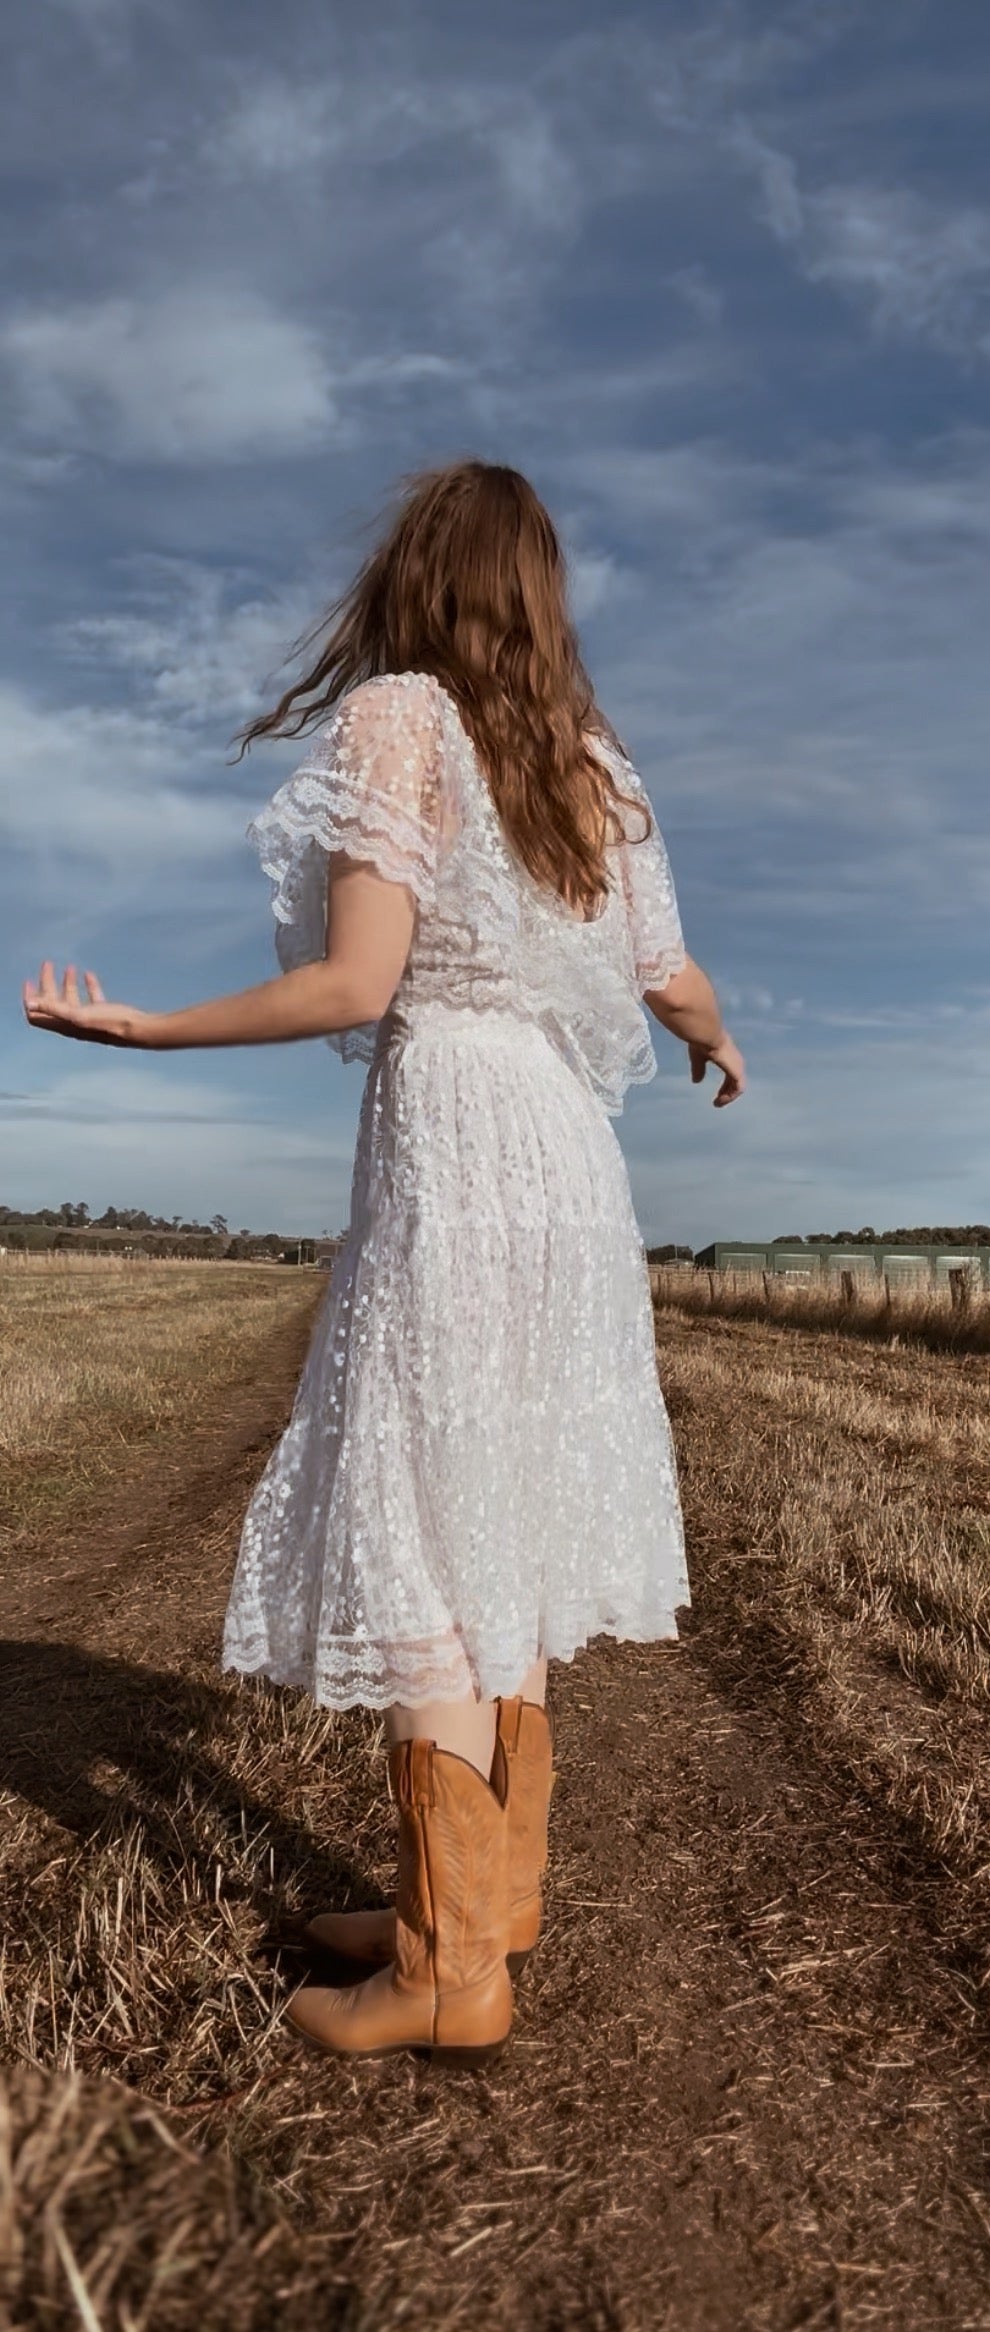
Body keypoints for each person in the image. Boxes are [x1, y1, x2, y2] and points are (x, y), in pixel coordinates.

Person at [22, 459, 746, 2064]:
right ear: (543, 597)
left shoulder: (405, 717)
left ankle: (443, 1966)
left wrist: (142, 1025)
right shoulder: (594, 765)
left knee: (426, 1515)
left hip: (464, 1138)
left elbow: (359, 983)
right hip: (571, 1157)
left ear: (417, 577)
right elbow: (668, 969)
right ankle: (492, 1907)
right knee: (512, 1504)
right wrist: (718, 1040)